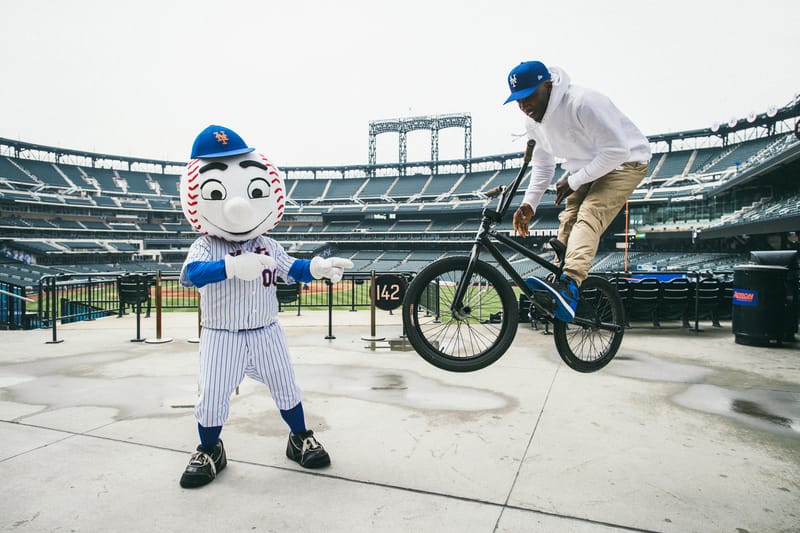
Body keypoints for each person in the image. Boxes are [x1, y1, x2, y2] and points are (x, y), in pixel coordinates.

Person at [177, 125, 353, 488]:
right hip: (220, 333)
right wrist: (229, 267)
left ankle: (299, 437)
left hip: (265, 331)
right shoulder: (206, 244)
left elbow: (293, 269)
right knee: (210, 398)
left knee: (287, 388)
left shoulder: (268, 245)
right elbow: (190, 274)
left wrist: (317, 268)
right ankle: (210, 450)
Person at [505, 60, 651, 322]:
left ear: (548, 86)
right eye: (518, 101)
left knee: (590, 213)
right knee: (568, 219)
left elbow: (616, 152)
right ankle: (560, 271)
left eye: (529, 97)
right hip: (587, 165)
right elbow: (543, 165)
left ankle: (570, 284)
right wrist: (529, 204)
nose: (525, 106)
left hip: (626, 161)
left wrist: (572, 182)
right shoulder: (533, 123)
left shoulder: (583, 102)